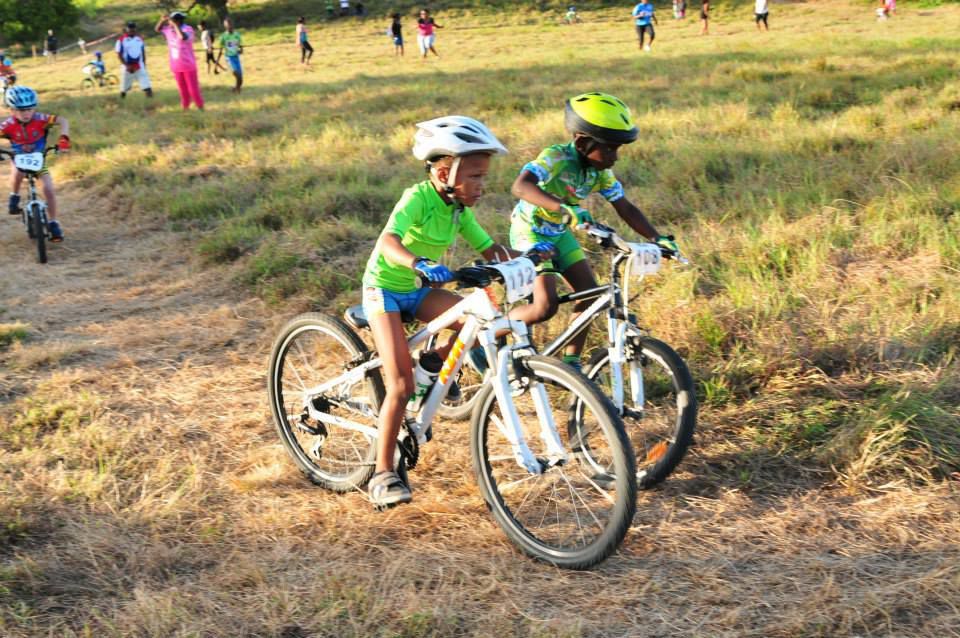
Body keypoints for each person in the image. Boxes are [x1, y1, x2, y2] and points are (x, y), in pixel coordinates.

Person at [360, 116, 551, 507]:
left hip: (418, 293)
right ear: (446, 172)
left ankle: (432, 362)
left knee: (488, 324)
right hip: (385, 291)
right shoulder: (418, 198)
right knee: (399, 385)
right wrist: (417, 263)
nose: (483, 185)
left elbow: (492, 251)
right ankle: (382, 473)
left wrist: (529, 257)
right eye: (477, 177)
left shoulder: (459, 212)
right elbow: (388, 240)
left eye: (484, 176)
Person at [506, 93, 677, 372]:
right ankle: (490, 335)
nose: (615, 157)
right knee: (545, 307)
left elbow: (625, 207)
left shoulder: (599, 172)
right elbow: (521, 186)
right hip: (531, 232)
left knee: (590, 294)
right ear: (583, 142)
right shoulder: (555, 157)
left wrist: (657, 238)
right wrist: (563, 207)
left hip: (559, 234)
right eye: (610, 149)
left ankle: (571, 365)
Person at [1, 87, 71, 242]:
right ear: (11, 110)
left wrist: (64, 138)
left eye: (29, 109)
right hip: (19, 158)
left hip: (39, 160)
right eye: (20, 110)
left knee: (49, 189)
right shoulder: (8, 125)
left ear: (34, 108)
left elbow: (63, 121)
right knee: (17, 172)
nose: (26, 114)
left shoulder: (41, 119)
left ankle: (53, 222)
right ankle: (14, 195)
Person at [155, 12, 204, 110]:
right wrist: (162, 20)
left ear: (178, 21)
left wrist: (175, 26)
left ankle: (201, 108)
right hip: (176, 66)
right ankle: (185, 109)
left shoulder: (187, 29)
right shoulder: (169, 30)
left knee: (193, 90)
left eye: (172, 21)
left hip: (188, 65)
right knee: (183, 91)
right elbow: (157, 29)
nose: (169, 23)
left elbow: (182, 37)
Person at [115, 21, 153, 99]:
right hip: (127, 66)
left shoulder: (139, 39)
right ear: (126, 29)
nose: (132, 30)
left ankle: (150, 101)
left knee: (146, 84)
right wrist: (126, 65)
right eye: (130, 28)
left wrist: (144, 64)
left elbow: (142, 52)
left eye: (133, 28)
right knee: (125, 86)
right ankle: (122, 98)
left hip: (139, 65)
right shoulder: (121, 40)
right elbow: (119, 54)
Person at [218, 17, 243, 93]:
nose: (229, 27)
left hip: (236, 57)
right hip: (229, 58)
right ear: (225, 26)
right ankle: (236, 88)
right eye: (226, 26)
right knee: (236, 72)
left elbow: (240, 47)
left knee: (241, 79)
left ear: (232, 25)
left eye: (230, 25)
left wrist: (240, 50)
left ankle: (236, 88)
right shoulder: (223, 37)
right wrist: (217, 61)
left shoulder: (237, 35)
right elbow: (221, 49)